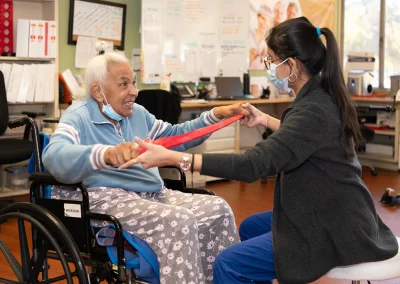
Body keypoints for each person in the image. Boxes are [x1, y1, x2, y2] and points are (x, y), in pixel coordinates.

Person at [123, 17, 399, 283]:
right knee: (250, 227)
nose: (269, 67)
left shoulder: (312, 109)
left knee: (228, 264)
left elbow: (252, 164)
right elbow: (305, 138)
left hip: (332, 226)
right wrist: (265, 119)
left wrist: (175, 158)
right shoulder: (320, 95)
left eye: (270, 61)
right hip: (335, 208)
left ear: (290, 65)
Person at [42, 42, 246, 284]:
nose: (134, 91)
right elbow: (55, 155)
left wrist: (214, 116)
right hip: (107, 198)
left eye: (134, 82)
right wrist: (105, 154)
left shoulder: (137, 113)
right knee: (177, 221)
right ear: (98, 91)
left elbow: (174, 136)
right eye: (123, 84)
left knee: (218, 209)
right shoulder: (78, 117)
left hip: (151, 194)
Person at [249, 5, 272, 70]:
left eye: (268, 21)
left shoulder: (269, 42)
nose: (264, 23)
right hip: (246, 76)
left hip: (261, 77)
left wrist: (267, 57)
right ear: (257, 17)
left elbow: (268, 69)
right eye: (263, 18)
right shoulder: (250, 34)